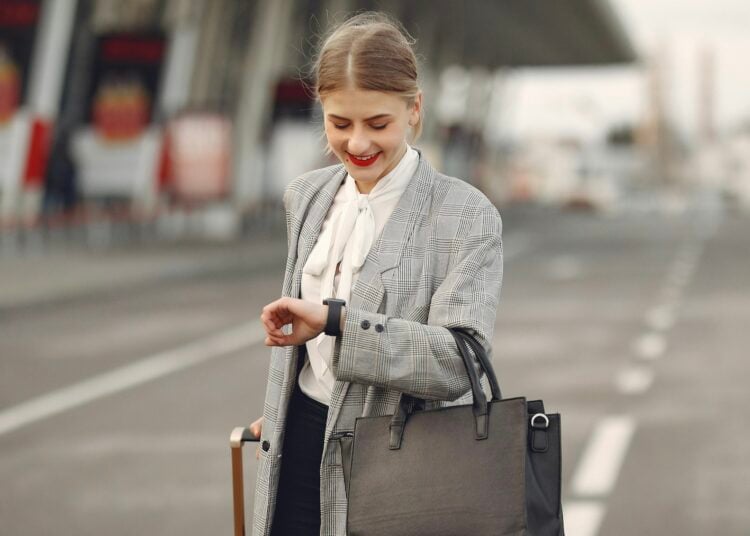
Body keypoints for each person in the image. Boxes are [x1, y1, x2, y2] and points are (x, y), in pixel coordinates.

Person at [250, 11, 503, 536]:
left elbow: (459, 364)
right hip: (296, 450)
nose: (358, 144)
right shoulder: (307, 197)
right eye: (339, 123)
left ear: (415, 109)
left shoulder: (465, 214)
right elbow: (307, 360)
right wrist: (279, 414)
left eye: (378, 124)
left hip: (402, 464)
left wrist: (337, 321)